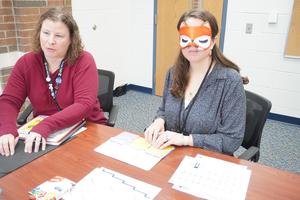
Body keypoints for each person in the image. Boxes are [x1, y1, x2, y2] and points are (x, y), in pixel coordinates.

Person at [0, 8, 107, 157]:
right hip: (44, 135)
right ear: (39, 34)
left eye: (59, 35)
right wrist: (6, 128)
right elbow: (9, 101)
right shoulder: (26, 62)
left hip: (86, 127)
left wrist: (47, 125)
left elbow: (84, 104)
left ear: (71, 39)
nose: (50, 41)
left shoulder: (84, 60)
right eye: (46, 33)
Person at [144, 9, 248, 155]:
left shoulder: (230, 81)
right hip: (171, 154)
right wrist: (159, 121)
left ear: (212, 42)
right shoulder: (173, 73)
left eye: (201, 38)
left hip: (208, 159)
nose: (192, 45)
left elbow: (231, 140)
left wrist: (187, 140)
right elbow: (164, 109)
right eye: (186, 37)